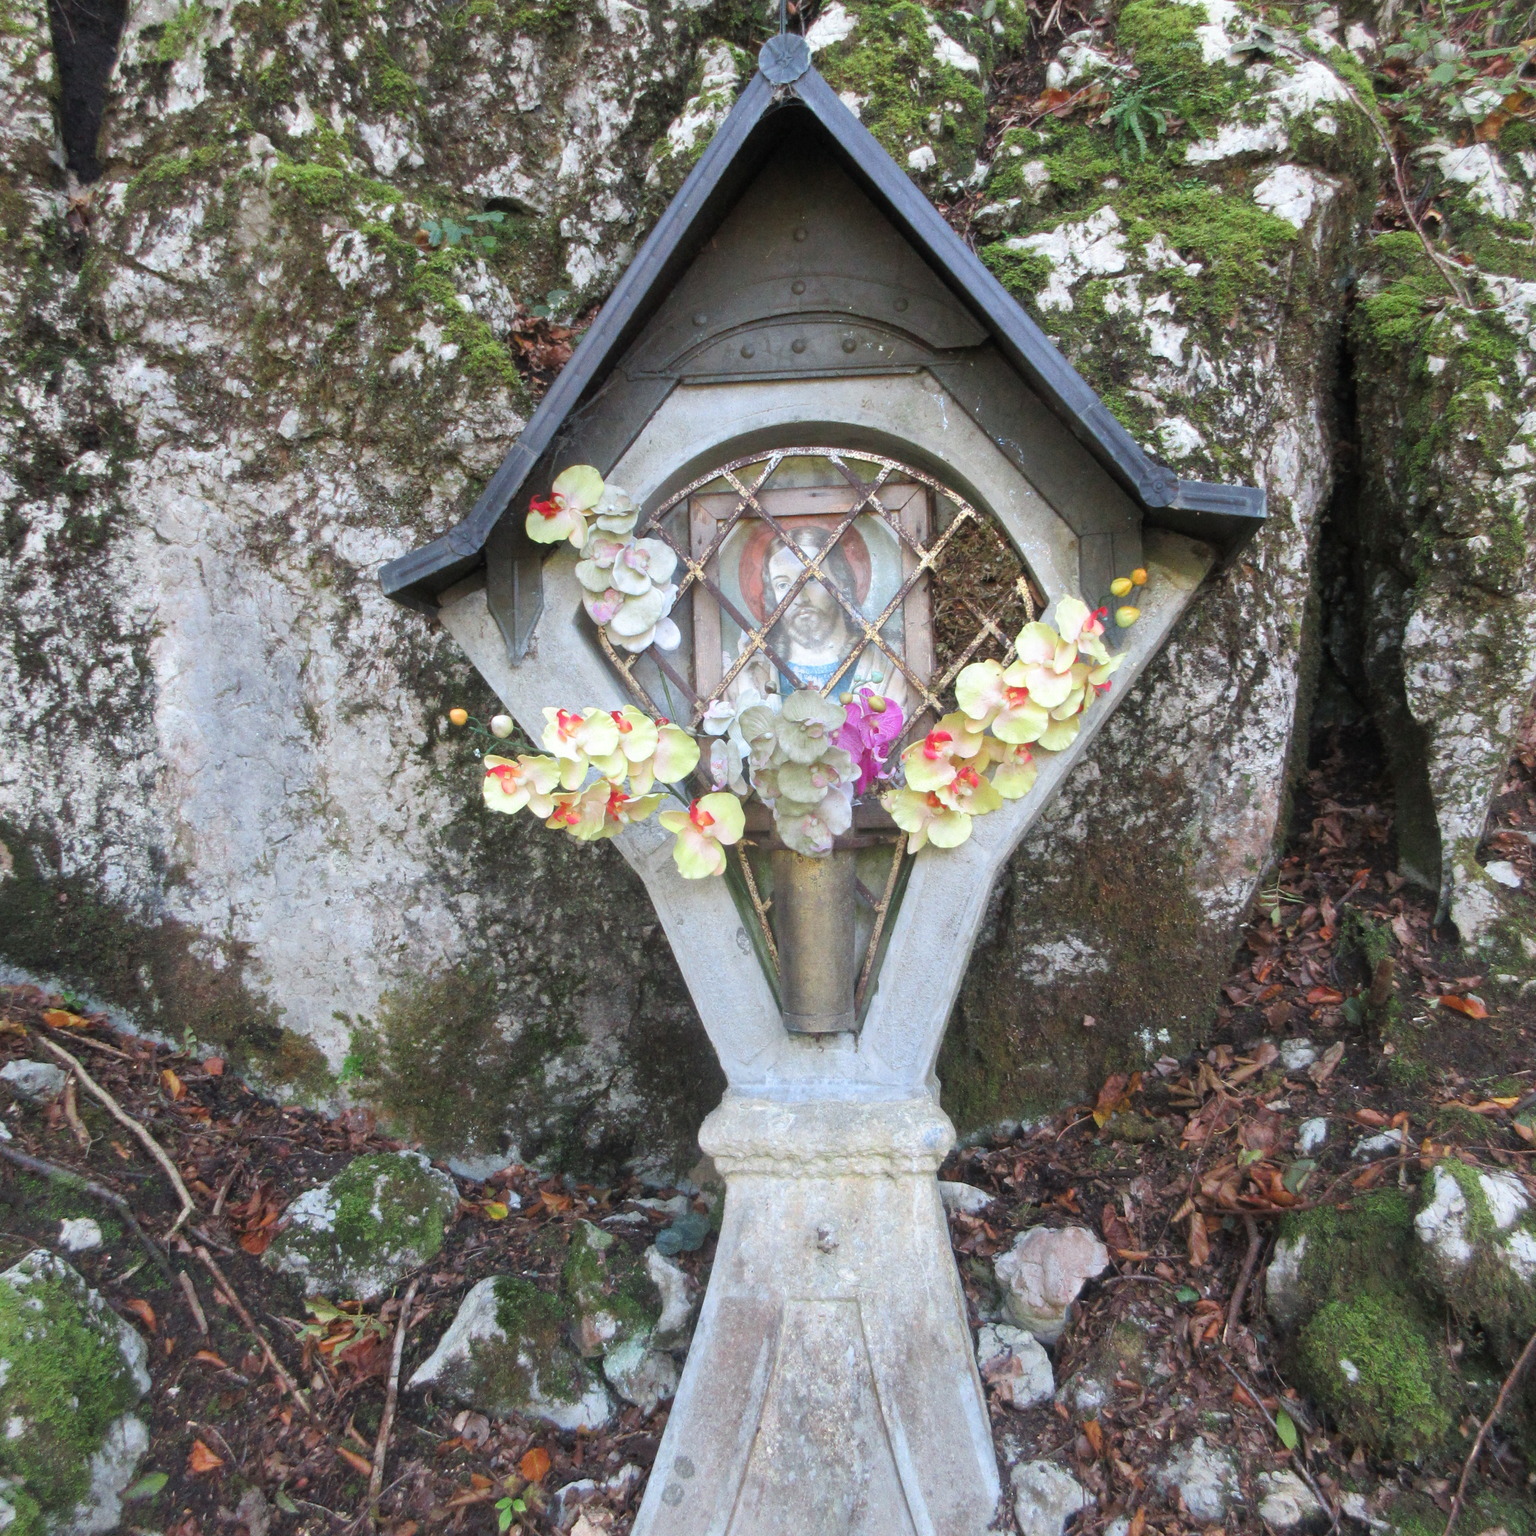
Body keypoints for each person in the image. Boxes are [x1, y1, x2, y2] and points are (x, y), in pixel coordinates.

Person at [726, 526, 909, 709]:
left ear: (842, 581)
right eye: (782, 585)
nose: (798, 597)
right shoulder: (751, 671)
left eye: (812, 579)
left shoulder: (883, 665)